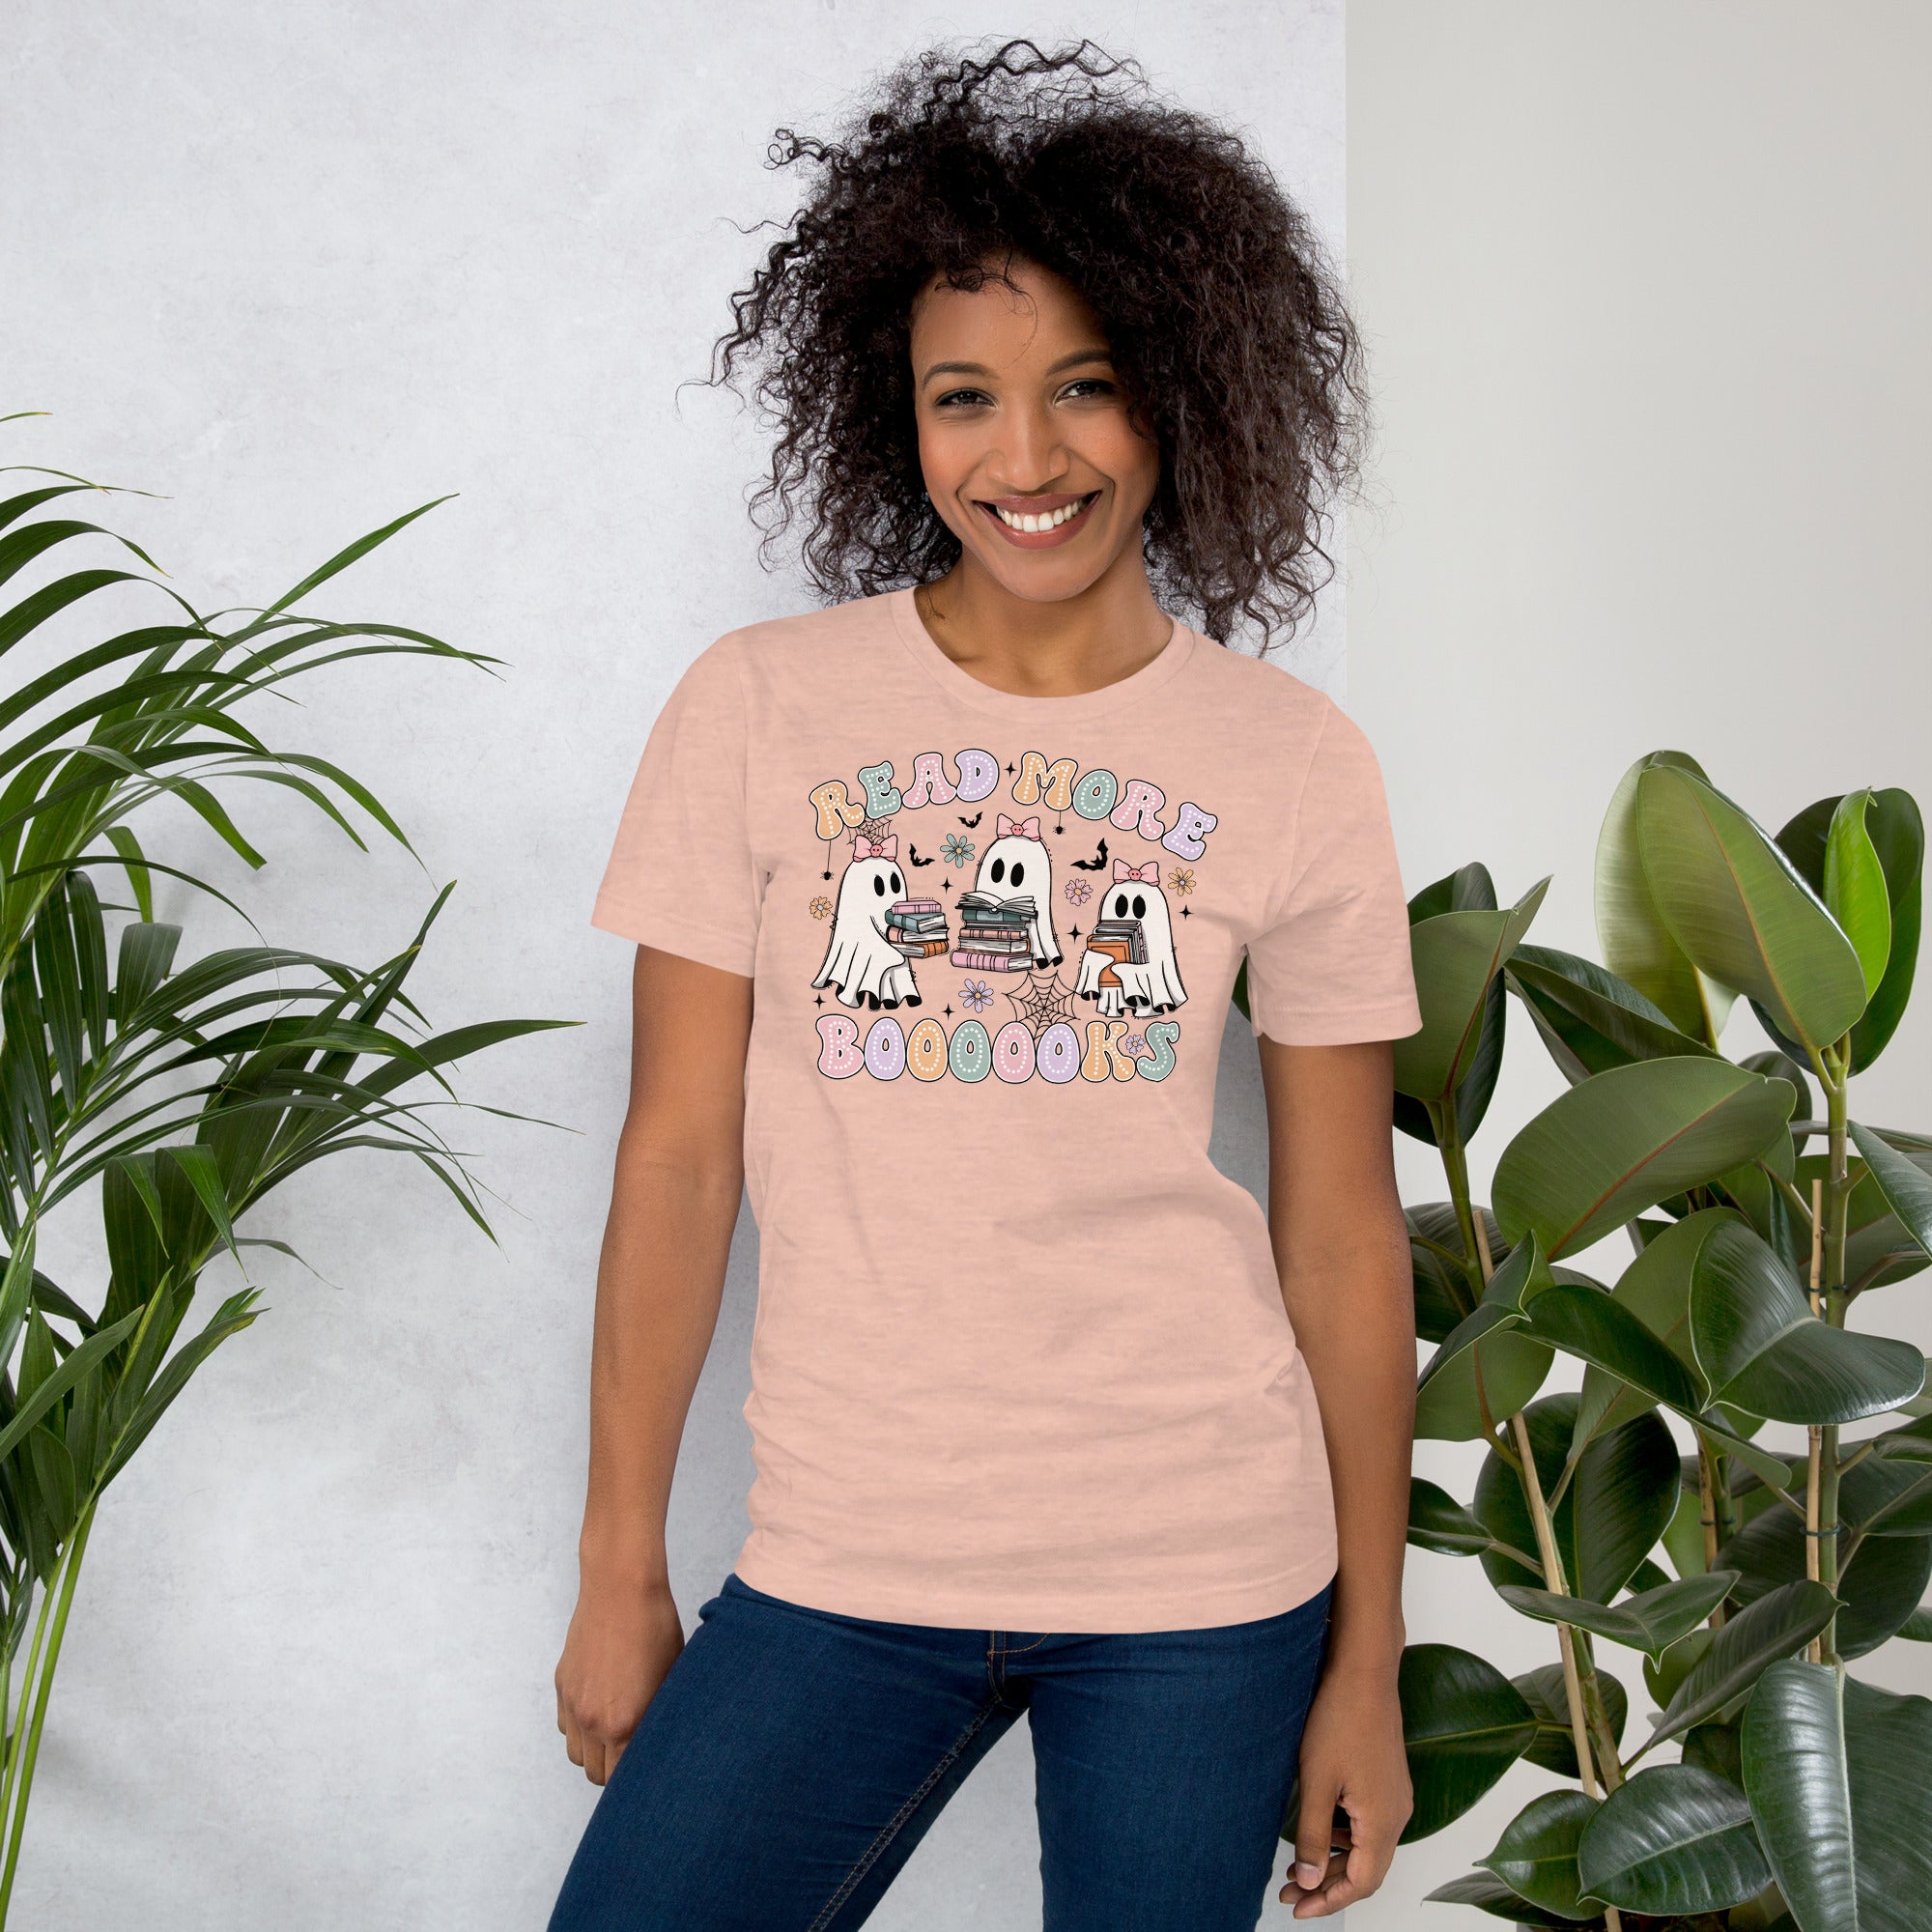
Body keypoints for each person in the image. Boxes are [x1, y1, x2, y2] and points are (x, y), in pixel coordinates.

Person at [550, 42, 1421, 1932]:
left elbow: (1347, 1237)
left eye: (1084, 386)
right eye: (966, 398)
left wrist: (1367, 1657)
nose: (1025, 460)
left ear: (1182, 390)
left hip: (1204, 1572)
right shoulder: (758, 711)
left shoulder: (1291, 760)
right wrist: (621, 1557)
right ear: (902, 416)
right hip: (852, 1551)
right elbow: (679, 1160)